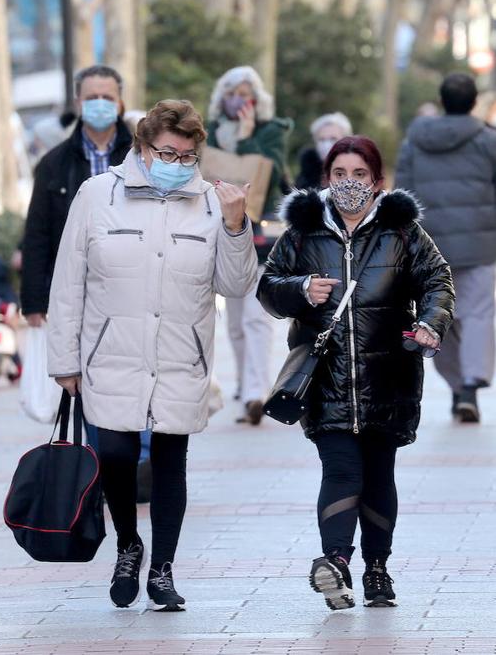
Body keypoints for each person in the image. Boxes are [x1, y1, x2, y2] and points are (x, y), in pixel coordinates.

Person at [47, 99, 258, 611]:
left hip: (178, 356)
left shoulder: (212, 202)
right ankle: (128, 544)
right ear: (142, 147)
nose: (177, 163)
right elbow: (69, 280)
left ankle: (162, 568)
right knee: (115, 456)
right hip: (109, 352)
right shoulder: (98, 195)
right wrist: (64, 360)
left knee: (170, 462)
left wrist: (236, 226)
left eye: (187, 156)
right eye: (166, 152)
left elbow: (235, 283)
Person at [258, 135, 454, 610]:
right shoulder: (303, 233)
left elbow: (437, 279)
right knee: (342, 469)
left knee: (379, 474)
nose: (349, 184)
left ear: (377, 181)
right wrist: (301, 289)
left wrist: (431, 321)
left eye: (360, 175)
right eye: (340, 174)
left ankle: (378, 570)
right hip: (324, 375)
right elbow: (268, 288)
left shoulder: (402, 231)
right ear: (327, 178)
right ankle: (336, 563)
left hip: (388, 374)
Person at [396, 72, 496, 423]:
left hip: (430, 247)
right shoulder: (488, 140)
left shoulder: (415, 141)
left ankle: (456, 386)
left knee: (441, 318)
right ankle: (470, 386)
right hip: (480, 244)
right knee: (479, 314)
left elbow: (403, 197)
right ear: (472, 103)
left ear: (441, 100)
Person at [206, 66, 293, 424]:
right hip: (219, 232)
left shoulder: (272, 130)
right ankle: (245, 387)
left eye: (246, 93)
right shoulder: (209, 133)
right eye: (232, 92)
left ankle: (258, 392)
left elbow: (268, 172)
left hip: (259, 235)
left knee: (258, 317)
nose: (239, 100)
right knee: (236, 321)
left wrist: (245, 137)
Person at [21, 65, 132, 325]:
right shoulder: (53, 164)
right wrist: (33, 301)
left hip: (131, 281)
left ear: (120, 103)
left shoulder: (140, 156)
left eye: (108, 98)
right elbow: (37, 232)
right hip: (74, 284)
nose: (100, 104)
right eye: (92, 98)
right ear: (78, 102)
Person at [295, 112, 353, 190]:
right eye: (322, 139)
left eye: (333, 138)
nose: (326, 144)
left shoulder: (357, 172)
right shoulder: (306, 176)